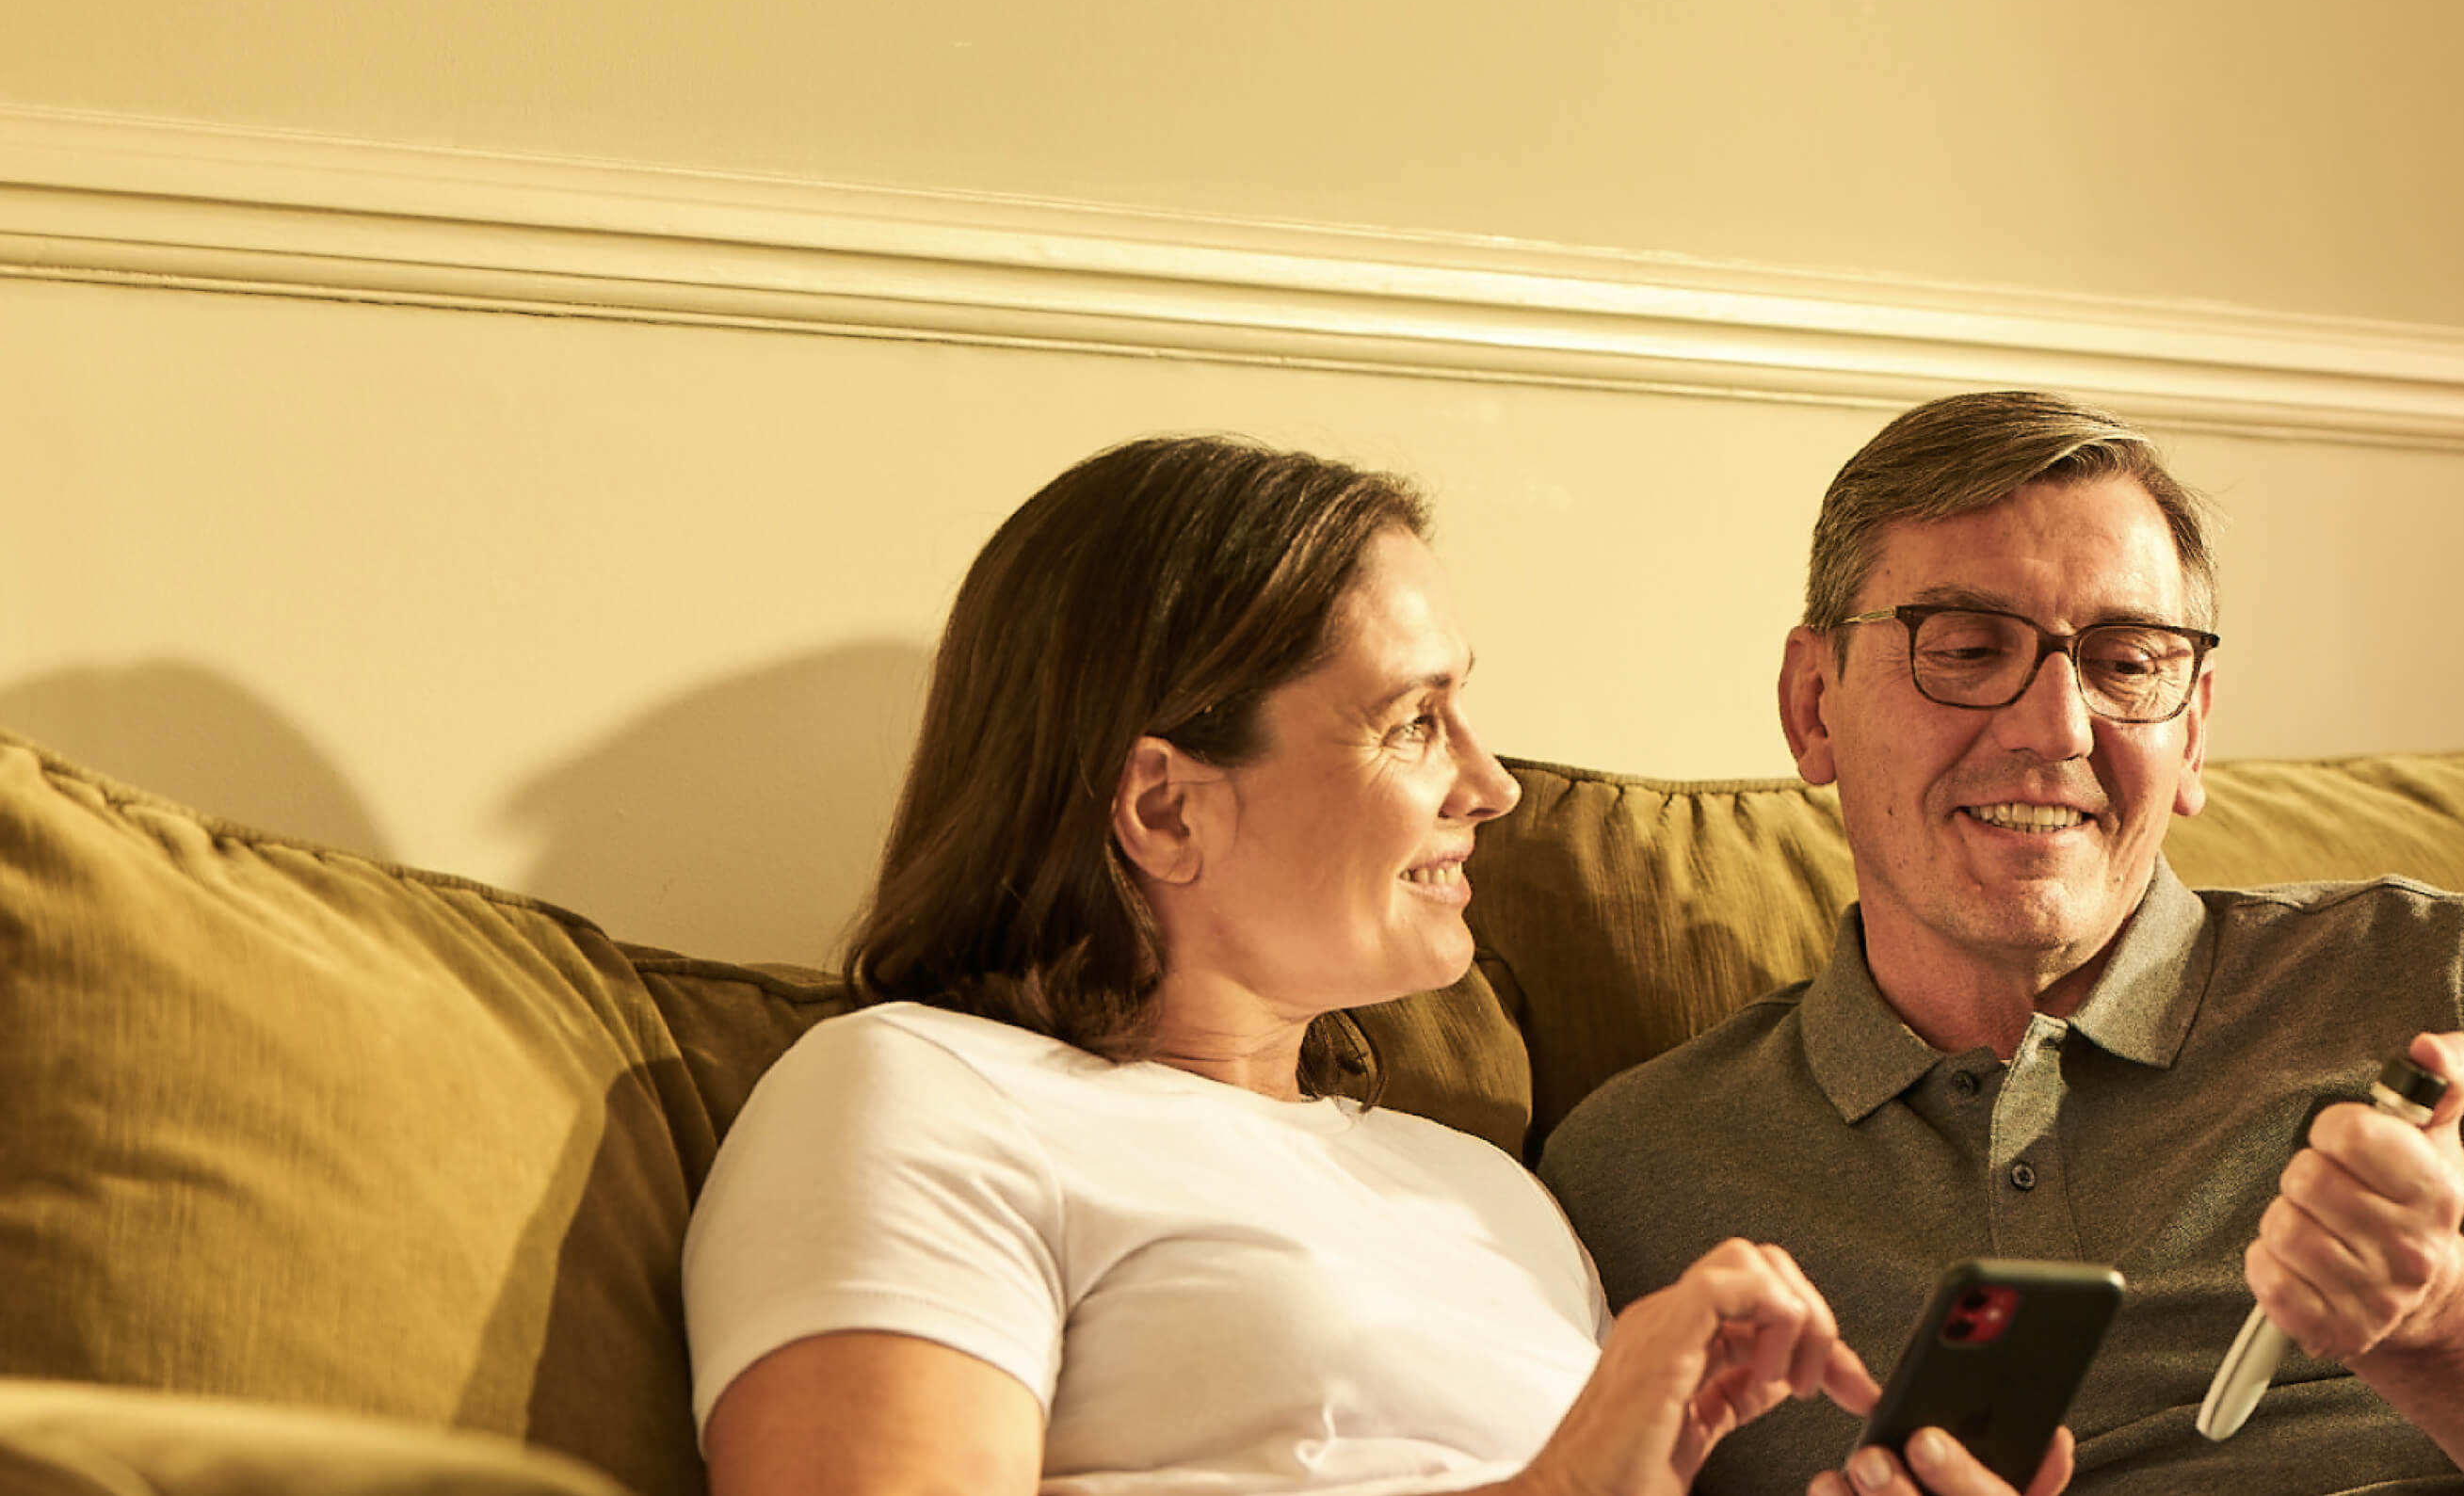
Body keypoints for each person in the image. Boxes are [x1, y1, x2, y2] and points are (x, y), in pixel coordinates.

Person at [683, 436, 2004, 1496]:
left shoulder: (1484, 1191)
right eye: (1413, 722)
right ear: (1166, 809)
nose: (1489, 786)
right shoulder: (920, 1094)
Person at [1538, 393, 2464, 1496]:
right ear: (1813, 706)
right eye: (1967, 651)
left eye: (2127, 663)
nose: (2056, 727)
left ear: (2191, 733)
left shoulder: (2427, 977)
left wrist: (2435, 1313)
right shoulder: (1637, 1175)